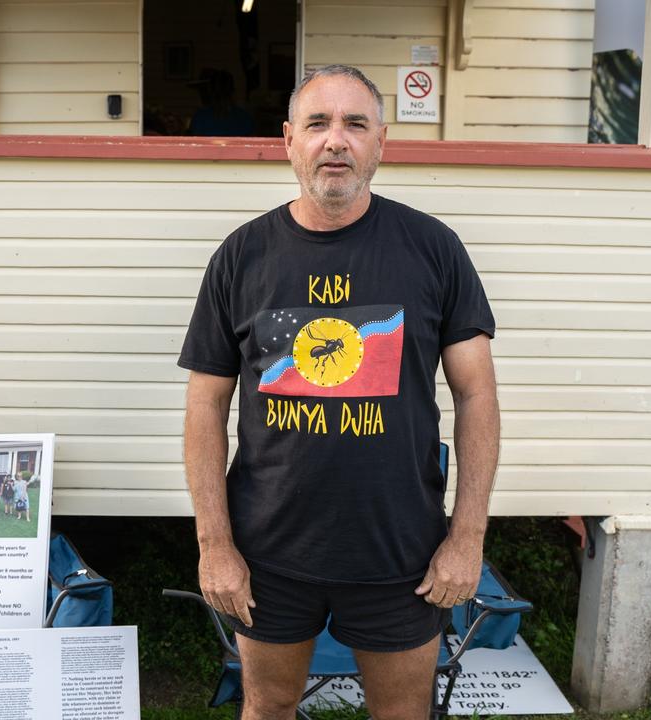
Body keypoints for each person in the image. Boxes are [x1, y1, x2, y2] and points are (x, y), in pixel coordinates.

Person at [178, 64, 500, 720]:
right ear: (288, 140)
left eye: (355, 123)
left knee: (403, 713)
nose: (336, 139)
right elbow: (205, 404)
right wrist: (215, 545)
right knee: (267, 706)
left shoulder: (433, 249)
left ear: (381, 142)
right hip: (269, 551)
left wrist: (467, 537)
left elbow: (477, 396)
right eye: (318, 123)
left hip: (400, 551)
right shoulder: (242, 257)